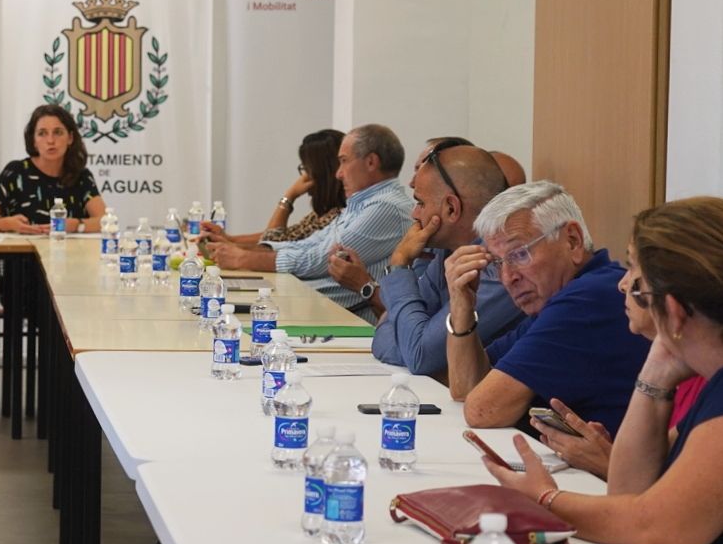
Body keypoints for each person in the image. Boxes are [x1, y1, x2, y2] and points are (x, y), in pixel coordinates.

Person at [485, 197, 723, 544]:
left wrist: (545, 499)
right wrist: (655, 373)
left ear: (673, 310)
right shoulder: (709, 382)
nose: (622, 285)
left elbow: (656, 525)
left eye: (634, 272)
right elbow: (628, 490)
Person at [444, 181, 650, 434]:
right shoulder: (560, 298)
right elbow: (465, 387)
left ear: (572, 241)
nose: (507, 277)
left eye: (519, 254)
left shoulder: (588, 298)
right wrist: (461, 305)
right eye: (497, 263)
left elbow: (482, 410)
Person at [330, 143, 522, 377]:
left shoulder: (499, 267)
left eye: (420, 203)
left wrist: (400, 265)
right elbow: (385, 333)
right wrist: (409, 342)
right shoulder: (446, 253)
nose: (414, 214)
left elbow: (420, 355)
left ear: (451, 208)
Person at [527, 237, 706, 478]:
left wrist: (606, 464)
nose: (622, 285)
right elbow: (661, 471)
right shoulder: (681, 365)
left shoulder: (707, 380)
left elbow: (673, 496)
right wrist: (611, 454)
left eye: (633, 269)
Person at [209, 125, 413, 315]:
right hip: (314, 305)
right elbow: (307, 244)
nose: (339, 174)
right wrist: (239, 252)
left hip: (337, 316)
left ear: (371, 162)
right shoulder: (362, 204)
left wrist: (243, 258)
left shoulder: (386, 206)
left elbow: (319, 260)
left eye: (344, 161)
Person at [0, 104, 105, 234]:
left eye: (58, 132)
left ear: (70, 138)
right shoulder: (15, 172)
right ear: (34, 141)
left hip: (67, 247)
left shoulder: (80, 176)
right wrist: (7, 224)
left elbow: (105, 222)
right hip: (21, 247)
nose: (50, 140)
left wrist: (76, 225)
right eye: (42, 133)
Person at [202, 129, 345, 245]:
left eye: (307, 169)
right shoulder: (323, 212)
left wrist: (289, 196)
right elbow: (284, 235)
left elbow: (271, 241)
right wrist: (228, 239)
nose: (304, 176)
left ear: (320, 172)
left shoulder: (337, 216)